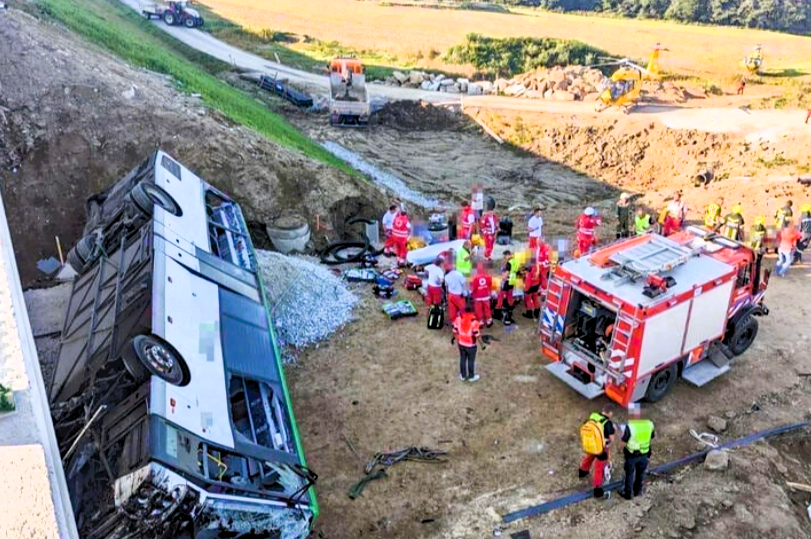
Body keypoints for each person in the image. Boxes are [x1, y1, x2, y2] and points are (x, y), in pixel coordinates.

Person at [578, 403, 616, 499]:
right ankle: (597, 489)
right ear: (610, 412)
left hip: (591, 444)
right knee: (599, 468)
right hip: (601, 448)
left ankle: (582, 471)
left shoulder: (593, 415)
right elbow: (612, 438)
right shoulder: (607, 423)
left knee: (589, 457)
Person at [619, 404, 655, 501]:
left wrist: (619, 449)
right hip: (645, 454)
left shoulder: (630, 427)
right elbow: (652, 436)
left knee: (630, 474)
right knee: (640, 473)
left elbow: (624, 441)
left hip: (632, 455)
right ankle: (637, 491)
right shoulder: (649, 424)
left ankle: (627, 494)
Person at [452, 311, 481, 382]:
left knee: (462, 359)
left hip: (461, 343)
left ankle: (463, 375)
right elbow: (476, 335)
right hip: (471, 345)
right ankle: (471, 376)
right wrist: (482, 344)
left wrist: (453, 338)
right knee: (471, 361)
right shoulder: (474, 322)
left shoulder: (458, 319)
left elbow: (454, 331)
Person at [496, 250, 521, 325]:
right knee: (509, 296)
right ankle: (510, 309)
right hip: (512, 281)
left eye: (505, 256)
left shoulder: (509, 263)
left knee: (500, 296)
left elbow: (506, 273)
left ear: (507, 255)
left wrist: (501, 278)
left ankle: (497, 312)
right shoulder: (515, 261)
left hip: (507, 281)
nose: (505, 258)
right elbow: (517, 271)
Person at [470, 262, 494, 327]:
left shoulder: (475, 277)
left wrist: (472, 294)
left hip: (477, 296)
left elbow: (473, 288)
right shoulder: (488, 276)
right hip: (486, 295)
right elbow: (490, 285)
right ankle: (489, 320)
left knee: (478, 309)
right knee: (487, 308)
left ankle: (480, 321)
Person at [522, 254, 542, 320]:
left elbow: (528, 282)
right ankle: (537, 312)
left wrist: (525, 289)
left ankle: (529, 313)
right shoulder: (537, 266)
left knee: (528, 300)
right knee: (535, 298)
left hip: (530, 286)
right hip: (536, 284)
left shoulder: (529, 271)